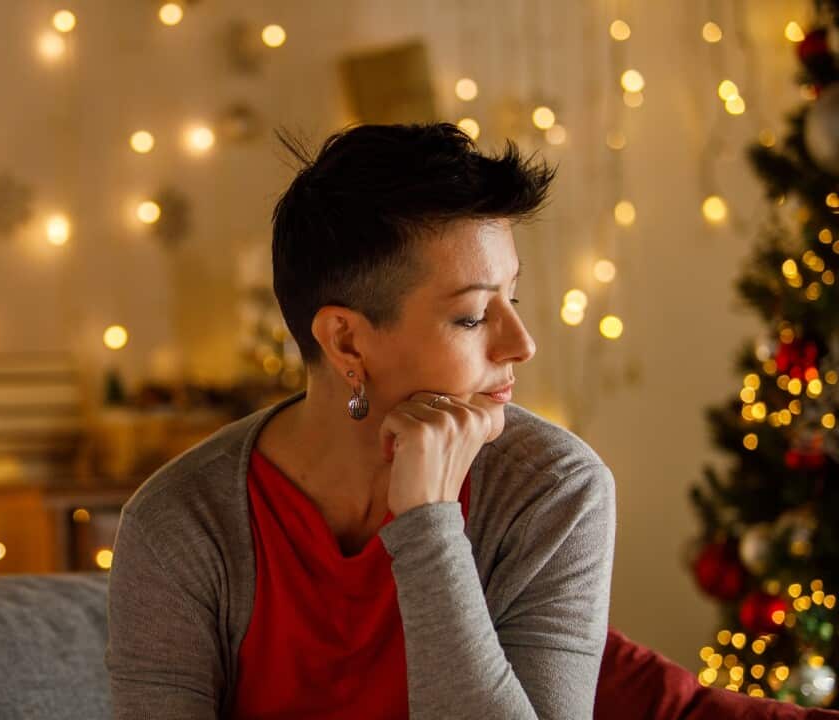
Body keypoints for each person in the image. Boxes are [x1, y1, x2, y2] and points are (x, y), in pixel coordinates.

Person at [105, 122, 616, 719]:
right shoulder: (180, 523)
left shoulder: (554, 492)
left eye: (514, 298)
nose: (521, 344)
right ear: (346, 342)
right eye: (474, 317)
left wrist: (429, 524)